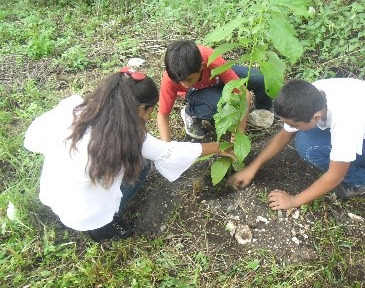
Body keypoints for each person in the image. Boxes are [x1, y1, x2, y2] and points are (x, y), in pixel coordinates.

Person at [24, 67, 233, 241]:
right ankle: (102, 227)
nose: (150, 116)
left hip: (55, 192)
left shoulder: (75, 108)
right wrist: (218, 146)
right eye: (150, 111)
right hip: (82, 212)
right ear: (142, 108)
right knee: (143, 165)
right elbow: (169, 152)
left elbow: (33, 138)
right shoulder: (130, 137)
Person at [227, 78, 365, 210]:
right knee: (305, 140)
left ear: (316, 117)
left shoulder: (346, 121)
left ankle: (364, 181)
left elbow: (335, 175)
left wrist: (293, 201)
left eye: (294, 124)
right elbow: (284, 135)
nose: (289, 127)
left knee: (309, 147)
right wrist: (253, 168)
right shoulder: (311, 95)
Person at [157, 39, 273, 141]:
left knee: (260, 78)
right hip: (195, 92)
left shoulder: (211, 58)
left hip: (215, 79)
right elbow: (163, 115)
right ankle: (190, 113)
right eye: (179, 81)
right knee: (224, 106)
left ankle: (261, 112)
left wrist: (239, 131)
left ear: (201, 66)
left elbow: (244, 94)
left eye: (188, 79)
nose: (184, 84)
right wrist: (166, 149)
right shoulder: (170, 78)